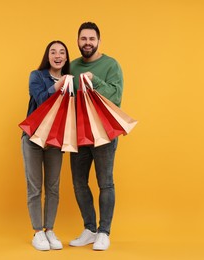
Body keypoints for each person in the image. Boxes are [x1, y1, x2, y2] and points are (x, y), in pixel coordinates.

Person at [69, 22, 124, 251]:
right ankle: (90, 229)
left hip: (103, 133)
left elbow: (115, 95)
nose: (87, 43)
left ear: (99, 41)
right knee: (79, 182)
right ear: (78, 41)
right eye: (83, 39)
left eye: (92, 39)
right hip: (78, 134)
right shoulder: (72, 66)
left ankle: (104, 232)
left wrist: (95, 81)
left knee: (105, 183)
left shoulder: (111, 65)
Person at [21, 40, 70, 251]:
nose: (57, 55)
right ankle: (38, 232)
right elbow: (41, 99)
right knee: (34, 187)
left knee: (53, 187)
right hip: (33, 138)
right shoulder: (37, 76)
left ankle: (50, 230)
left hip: (55, 140)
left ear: (67, 58)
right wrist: (57, 86)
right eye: (53, 52)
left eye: (62, 52)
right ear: (47, 56)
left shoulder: (71, 80)